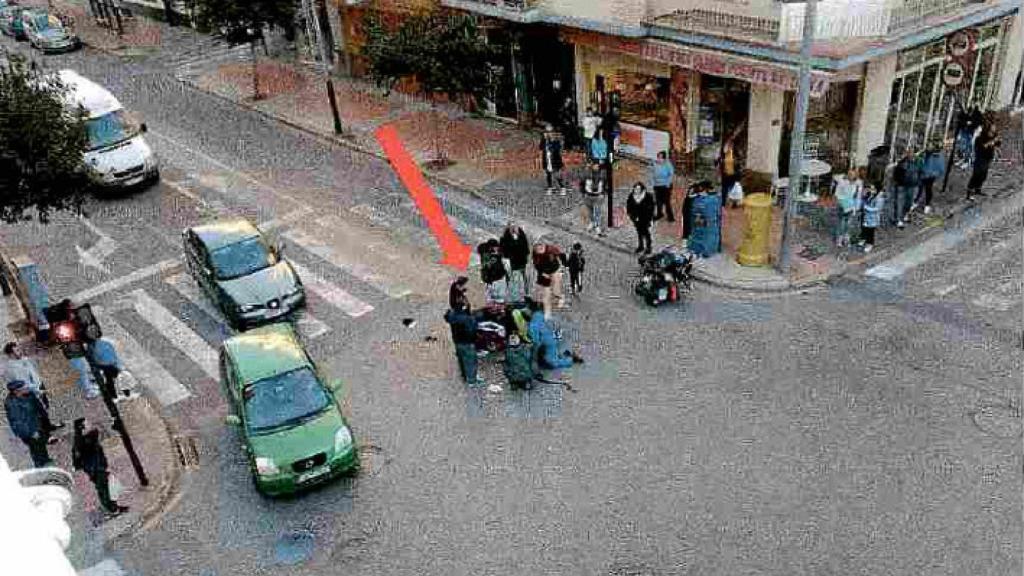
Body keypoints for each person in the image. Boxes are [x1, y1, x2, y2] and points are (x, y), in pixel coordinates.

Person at [72, 418, 129, 519]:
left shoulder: (80, 440)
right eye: (86, 423)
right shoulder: (85, 440)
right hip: (96, 468)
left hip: (95, 468)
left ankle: (112, 507)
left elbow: (76, 458)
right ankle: (112, 509)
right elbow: (95, 435)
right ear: (82, 427)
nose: (89, 424)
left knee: (104, 487)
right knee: (104, 488)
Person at [3, 342, 62, 431]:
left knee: (44, 409)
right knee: (38, 412)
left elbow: (32, 372)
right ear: (11, 354)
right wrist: (39, 391)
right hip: (30, 392)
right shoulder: (13, 368)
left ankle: (48, 426)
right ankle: (45, 434)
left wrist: (41, 385)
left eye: (19, 349)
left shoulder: (23, 360)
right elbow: (24, 383)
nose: (20, 352)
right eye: (17, 350)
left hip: (37, 386)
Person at [4, 380, 55, 467]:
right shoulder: (12, 404)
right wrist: (31, 433)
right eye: (24, 388)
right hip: (29, 431)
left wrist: (44, 418)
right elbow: (18, 423)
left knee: (41, 445)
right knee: (35, 449)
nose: (27, 388)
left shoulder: (28, 394)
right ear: (16, 391)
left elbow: (38, 406)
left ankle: (46, 460)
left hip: (36, 424)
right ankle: (41, 466)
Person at [526, 302, 582, 371]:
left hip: (548, 341)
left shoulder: (535, 319)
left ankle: (570, 360)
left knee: (553, 363)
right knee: (553, 352)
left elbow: (536, 338)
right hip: (551, 339)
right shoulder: (543, 316)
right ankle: (562, 355)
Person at [87, 337, 137, 403]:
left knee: (112, 377)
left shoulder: (98, 346)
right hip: (105, 366)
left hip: (104, 365)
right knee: (113, 377)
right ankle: (120, 395)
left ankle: (117, 395)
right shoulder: (98, 346)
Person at [444, 303, 482, 386]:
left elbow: (447, 316)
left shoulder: (452, 316)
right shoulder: (467, 319)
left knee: (461, 360)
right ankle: (472, 380)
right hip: (468, 342)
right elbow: (472, 330)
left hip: (457, 342)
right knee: (470, 361)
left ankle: (465, 376)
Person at [967, 121, 1000, 202]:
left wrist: (997, 145)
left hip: (988, 158)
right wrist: (991, 141)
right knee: (976, 175)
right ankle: (969, 193)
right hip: (980, 158)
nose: (994, 129)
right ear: (988, 128)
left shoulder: (994, 136)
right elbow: (982, 147)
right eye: (992, 128)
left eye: (995, 128)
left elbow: (997, 145)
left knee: (983, 175)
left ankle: (978, 190)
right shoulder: (980, 137)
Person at [532, 242, 567, 318]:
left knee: (555, 290)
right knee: (545, 293)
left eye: (540, 249)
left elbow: (562, 255)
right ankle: (547, 313)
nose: (538, 251)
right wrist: (543, 273)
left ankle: (560, 298)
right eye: (536, 250)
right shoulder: (535, 253)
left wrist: (565, 265)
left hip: (554, 270)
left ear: (543, 246)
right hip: (544, 273)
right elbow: (536, 264)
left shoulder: (551, 249)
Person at [499, 222, 530, 302]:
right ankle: (511, 294)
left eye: (514, 227)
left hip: (521, 261)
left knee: (523, 277)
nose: (513, 229)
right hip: (511, 261)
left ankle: (526, 293)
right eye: (511, 227)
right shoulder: (505, 238)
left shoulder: (522, 236)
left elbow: (526, 248)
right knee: (510, 278)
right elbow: (503, 250)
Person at [893, 147, 922, 228]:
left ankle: (905, 215)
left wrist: (918, 182)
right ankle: (898, 220)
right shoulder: (902, 163)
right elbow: (896, 173)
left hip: (912, 186)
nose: (910, 155)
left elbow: (920, 172)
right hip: (902, 186)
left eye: (912, 153)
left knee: (909, 203)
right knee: (900, 203)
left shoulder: (917, 163)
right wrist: (898, 182)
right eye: (909, 153)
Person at [833, 168, 863, 247]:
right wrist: (841, 203)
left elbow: (858, 197)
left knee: (849, 223)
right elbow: (837, 194)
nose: (850, 176)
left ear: (855, 176)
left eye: (852, 175)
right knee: (841, 223)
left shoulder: (857, 184)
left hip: (851, 206)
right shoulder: (842, 182)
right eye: (849, 174)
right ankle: (839, 239)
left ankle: (846, 238)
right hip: (842, 205)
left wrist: (857, 208)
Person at [626, 182, 655, 255]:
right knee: (639, 232)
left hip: (646, 218)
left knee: (646, 232)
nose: (636, 190)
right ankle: (641, 246)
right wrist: (632, 216)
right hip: (636, 218)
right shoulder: (631, 196)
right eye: (635, 188)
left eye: (638, 188)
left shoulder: (648, 196)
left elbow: (652, 208)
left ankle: (649, 247)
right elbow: (629, 207)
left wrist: (650, 218)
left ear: (642, 189)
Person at [477, 239, 507, 305]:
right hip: (495, 280)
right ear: (492, 247)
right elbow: (489, 266)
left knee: (492, 300)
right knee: (498, 300)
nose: (497, 249)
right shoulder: (489, 256)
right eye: (496, 247)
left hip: (491, 281)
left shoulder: (487, 255)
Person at [915, 146, 945, 215]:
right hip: (924, 174)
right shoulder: (927, 154)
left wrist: (933, 174)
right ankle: (917, 201)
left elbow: (941, 170)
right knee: (920, 187)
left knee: (928, 189)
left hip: (930, 176)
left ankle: (927, 204)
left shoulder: (939, 157)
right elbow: (918, 158)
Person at [579, 162, 606, 235]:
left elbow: (606, 184)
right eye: (594, 165)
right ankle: (592, 222)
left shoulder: (603, 174)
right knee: (590, 210)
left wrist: (603, 194)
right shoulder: (587, 173)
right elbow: (581, 183)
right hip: (588, 195)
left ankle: (597, 226)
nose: (596, 167)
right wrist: (583, 193)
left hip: (598, 196)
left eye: (597, 165)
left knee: (597, 211)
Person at [539, 128, 567, 195]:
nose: (548, 134)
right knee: (548, 174)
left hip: (555, 160)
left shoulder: (555, 141)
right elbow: (540, 147)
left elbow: (557, 149)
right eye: (546, 132)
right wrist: (543, 139)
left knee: (557, 175)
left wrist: (551, 141)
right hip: (546, 159)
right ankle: (550, 187)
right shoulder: (544, 140)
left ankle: (562, 187)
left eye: (549, 132)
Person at [652, 151, 676, 222]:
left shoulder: (668, 165)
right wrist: (653, 184)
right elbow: (653, 175)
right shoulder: (655, 164)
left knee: (666, 202)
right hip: (657, 186)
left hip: (666, 186)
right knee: (658, 201)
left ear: (664, 159)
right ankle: (659, 214)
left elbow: (671, 175)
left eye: (661, 158)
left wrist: (667, 184)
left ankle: (670, 217)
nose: (659, 159)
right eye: (658, 157)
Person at [859, 185, 884, 253]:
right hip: (867, 217)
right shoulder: (870, 195)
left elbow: (877, 209)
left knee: (870, 232)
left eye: (873, 189)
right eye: (871, 188)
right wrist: (864, 196)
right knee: (865, 229)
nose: (871, 190)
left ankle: (869, 244)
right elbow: (864, 202)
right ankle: (863, 239)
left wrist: (867, 208)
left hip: (873, 218)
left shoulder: (879, 198)